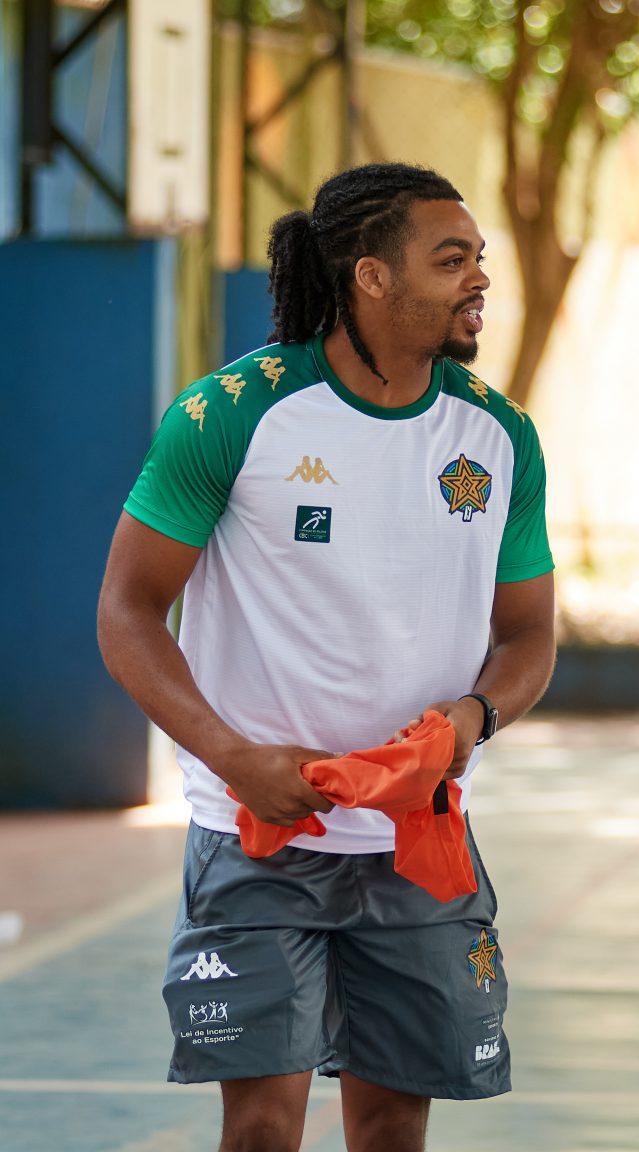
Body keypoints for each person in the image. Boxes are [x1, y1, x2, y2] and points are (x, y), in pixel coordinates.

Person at [97, 162, 556, 1152]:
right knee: (263, 1127)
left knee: (391, 1127)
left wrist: (474, 719)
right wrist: (233, 757)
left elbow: (527, 634)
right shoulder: (232, 414)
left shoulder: (499, 434)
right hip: (256, 834)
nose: (480, 278)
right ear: (371, 277)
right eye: (451, 260)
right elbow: (127, 613)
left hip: (417, 835)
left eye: (479, 258)